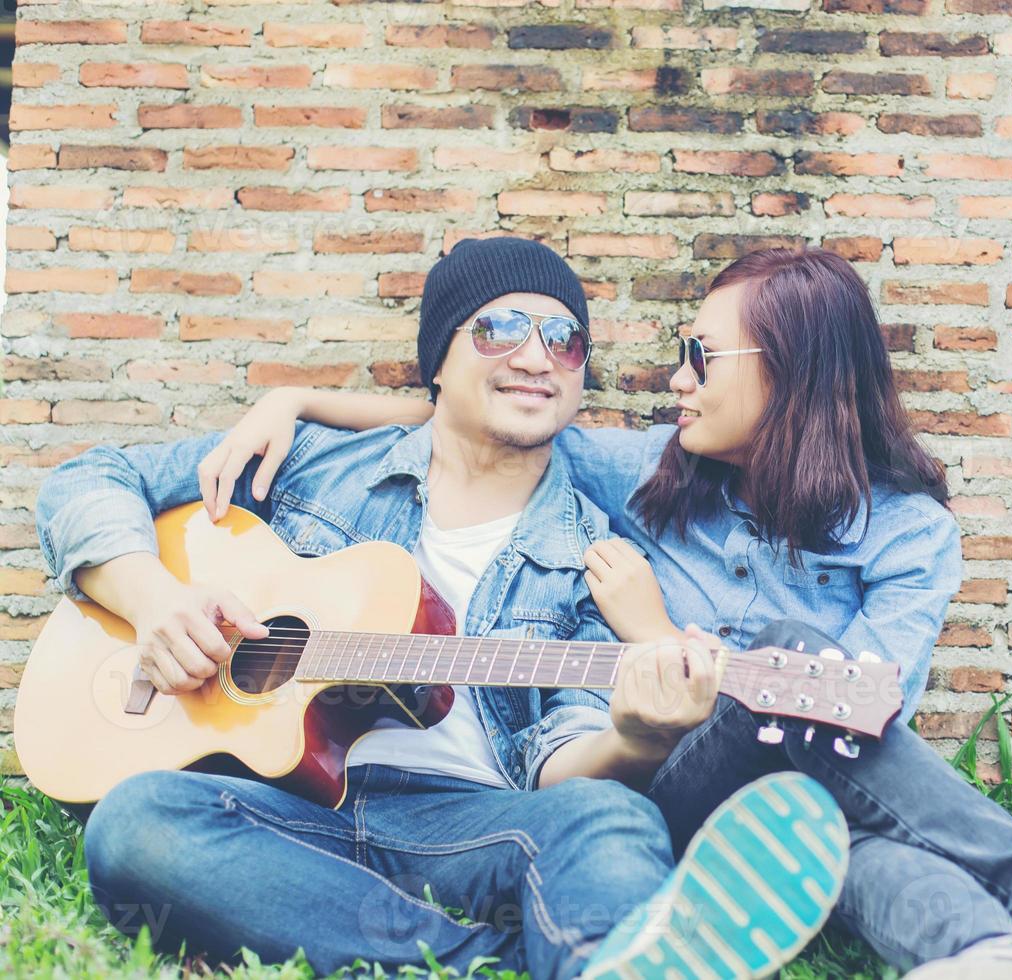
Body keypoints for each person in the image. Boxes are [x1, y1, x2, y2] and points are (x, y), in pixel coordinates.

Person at [212, 245, 1012, 980]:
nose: (674, 379)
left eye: (701, 357)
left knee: (833, 820)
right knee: (800, 660)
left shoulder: (907, 537)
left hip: (798, 806)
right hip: (665, 782)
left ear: (794, 374)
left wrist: (653, 624)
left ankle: (983, 950)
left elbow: (863, 716)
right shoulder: (646, 466)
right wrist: (297, 402)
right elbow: (473, 406)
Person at [33, 237, 850, 979]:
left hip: (471, 823)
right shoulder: (312, 461)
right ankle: (487, 963)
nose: (538, 357)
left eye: (565, 340)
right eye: (500, 329)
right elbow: (88, 480)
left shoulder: (593, 558)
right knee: (138, 820)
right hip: (281, 807)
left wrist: (635, 736)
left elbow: (557, 756)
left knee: (607, 818)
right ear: (440, 356)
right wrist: (155, 603)